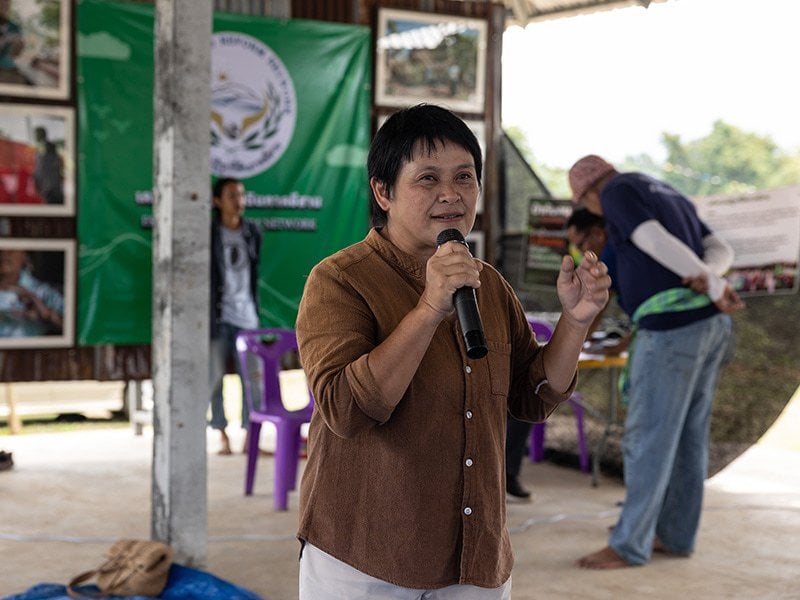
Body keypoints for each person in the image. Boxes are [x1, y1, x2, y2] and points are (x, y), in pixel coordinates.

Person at [295, 104, 611, 598]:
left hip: (476, 557)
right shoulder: (338, 281)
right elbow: (347, 411)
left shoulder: (489, 285)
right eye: (427, 179)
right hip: (367, 555)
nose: (451, 194)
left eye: (465, 177)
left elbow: (532, 396)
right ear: (383, 191)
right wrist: (428, 308)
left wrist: (576, 320)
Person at [567, 154, 744, 570]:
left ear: (589, 192)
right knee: (686, 437)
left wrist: (712, 281)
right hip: (705, 325)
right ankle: (677, 535)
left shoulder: (618, 191)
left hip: (672, 328)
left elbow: (650, 238)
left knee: (648, 437)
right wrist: (708, 275)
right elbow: (721, 247)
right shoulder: (665, 191)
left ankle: (629, 544)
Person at [209, 177, 261, 455]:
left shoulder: (252, 231)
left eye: (241, 195)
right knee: (215, 376)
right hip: (218, 319)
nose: (238, 201)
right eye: (231, 195)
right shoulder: (210, 233)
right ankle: (220, 434)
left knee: (254, 379)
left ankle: (250, 437)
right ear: (217, 201)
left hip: (247, 318)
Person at [0, 248, 64, 337]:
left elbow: (79, 329)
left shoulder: (44, 292)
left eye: (11, 249)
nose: (4, 253)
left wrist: (47, 315)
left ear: (25, 256)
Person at [32, 127, 65, 205]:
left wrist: (37, 181)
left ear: (41, 135)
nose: (35, 137)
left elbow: (41, 168)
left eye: (36, 134)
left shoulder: (45, 148)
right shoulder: (46, 148)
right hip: (52, 186)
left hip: (50, 188)